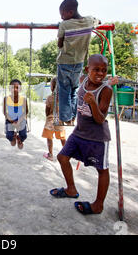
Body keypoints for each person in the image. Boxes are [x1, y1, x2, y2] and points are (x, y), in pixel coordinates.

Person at [50, 54, 117, 215]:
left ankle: (98, 204)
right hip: (79, 133)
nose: (100, 73)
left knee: (102, 169)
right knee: (62, 157)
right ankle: (71, 189)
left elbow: (100, 119)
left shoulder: (106, 90)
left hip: (97, 137)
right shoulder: (82, 81)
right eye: (96, 70)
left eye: (104, 70)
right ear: (87, 70)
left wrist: (93, 103)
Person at [56, 0, 100, 125]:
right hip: (79, 62)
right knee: (74, 89)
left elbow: (60, 44)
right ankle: (73, 117)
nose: (62, 17)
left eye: (62, 14)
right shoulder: (88, 21)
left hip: (64, 62)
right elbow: (97, 21)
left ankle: (65, 117)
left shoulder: (64, 24)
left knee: (64, 89)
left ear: (69, 12)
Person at [42, 77, 66, 160]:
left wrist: (48, 117)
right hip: (60, 121)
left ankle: (50, 155)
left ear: (52, 87)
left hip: (50, 121)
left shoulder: (49, 98)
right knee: (62, 138)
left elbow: (47, 111)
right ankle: (67, 153)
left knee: (49, 138)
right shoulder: (63, 99)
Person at [3, 79, 28, 149]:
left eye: (17, 88)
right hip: (10, 119)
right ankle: (13, 137)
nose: (15, 89)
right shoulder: (6, 99)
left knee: (24, 135)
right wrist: (11, 120)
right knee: (8, 135)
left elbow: (26, 111)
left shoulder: (23, 99)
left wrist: (19, 121)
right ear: (9, 88)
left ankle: (20, 139)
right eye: (13, 87)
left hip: (21, 119)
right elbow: (5, 112)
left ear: (20, 89)